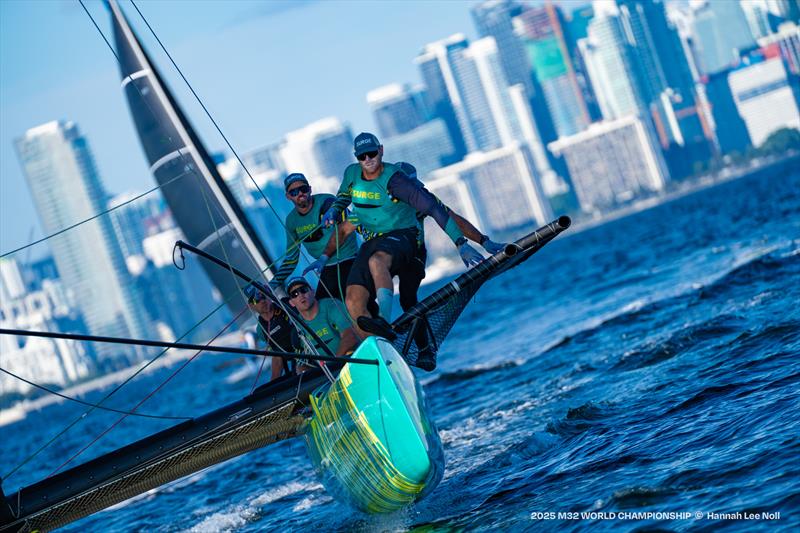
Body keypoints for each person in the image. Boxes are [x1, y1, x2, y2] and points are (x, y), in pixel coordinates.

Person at [313, 132, 484, 341]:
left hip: (412, 252)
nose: (409, 189)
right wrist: (323, 257)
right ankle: (377, 340)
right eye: (362, 156)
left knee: (407, 298)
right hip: (384, 252)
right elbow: (343, 229)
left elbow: (450, 217)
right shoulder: (370, 202)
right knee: (358, 296)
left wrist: (478, 241)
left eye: (413, 183)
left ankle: (422, 346)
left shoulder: (417, 198)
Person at [271, 173, 359, 301]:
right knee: (323, 305)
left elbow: (354, 222)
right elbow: (291, 259)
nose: (300, 194)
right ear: (288, 196)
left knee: (355, 300)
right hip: (326, 267)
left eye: (303, 189)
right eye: (294, 192)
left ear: (310, 189)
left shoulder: (327, 201)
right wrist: (272, 284)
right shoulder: (291, 221)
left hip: (350, 259)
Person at [285, 276, 358, 357]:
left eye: (303, 290)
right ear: (291, 303)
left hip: (352, 358)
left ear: (313, 292)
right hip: (326, 365)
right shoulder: (297, 326)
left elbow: (350, 336)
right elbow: (303, 358)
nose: (301, 295)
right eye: (294, 294)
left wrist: (336, 361)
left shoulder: (331, 306)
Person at [246, 286, 297, 381]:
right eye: (256, 300)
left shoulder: (287, 305)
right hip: (296, 362)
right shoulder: (261, 330)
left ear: (269, 294)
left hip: (311, 351)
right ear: (251, 306)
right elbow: (277, 357)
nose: (262, 301)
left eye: (264, 295)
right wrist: (273, 382)